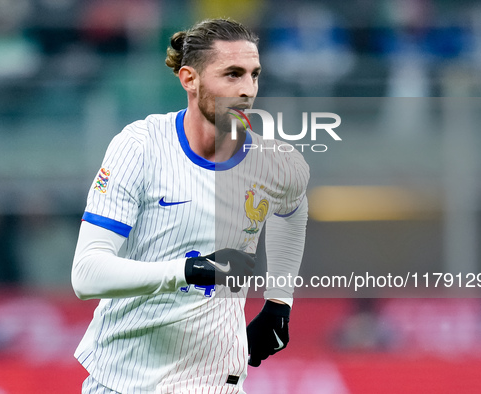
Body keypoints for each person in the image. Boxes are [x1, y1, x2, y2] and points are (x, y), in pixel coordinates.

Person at [71, 18, 309, 394]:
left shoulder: (278, 163)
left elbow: (292, 212)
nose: (247, 90)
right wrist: (189, 270)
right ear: (189, 79)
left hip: (217, 382)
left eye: (254, 75)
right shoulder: (140, 147)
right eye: (232, 74)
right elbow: (86, 275)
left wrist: (280, 302)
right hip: (124, 379)